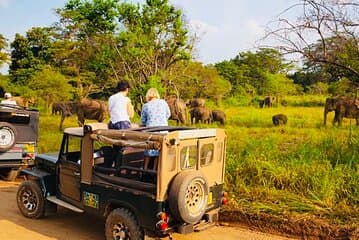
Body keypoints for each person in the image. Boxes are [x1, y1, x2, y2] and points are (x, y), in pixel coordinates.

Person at [140, 88, 170, 170]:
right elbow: (168, 114)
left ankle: (145, 169)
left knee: (149, 149)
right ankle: (154, 169)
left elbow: (143, 121)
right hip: (163, 130)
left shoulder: (146, 105)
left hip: (151, 130)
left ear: (148, 96)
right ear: (157, 95)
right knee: (159, 149)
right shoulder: (163, 103)